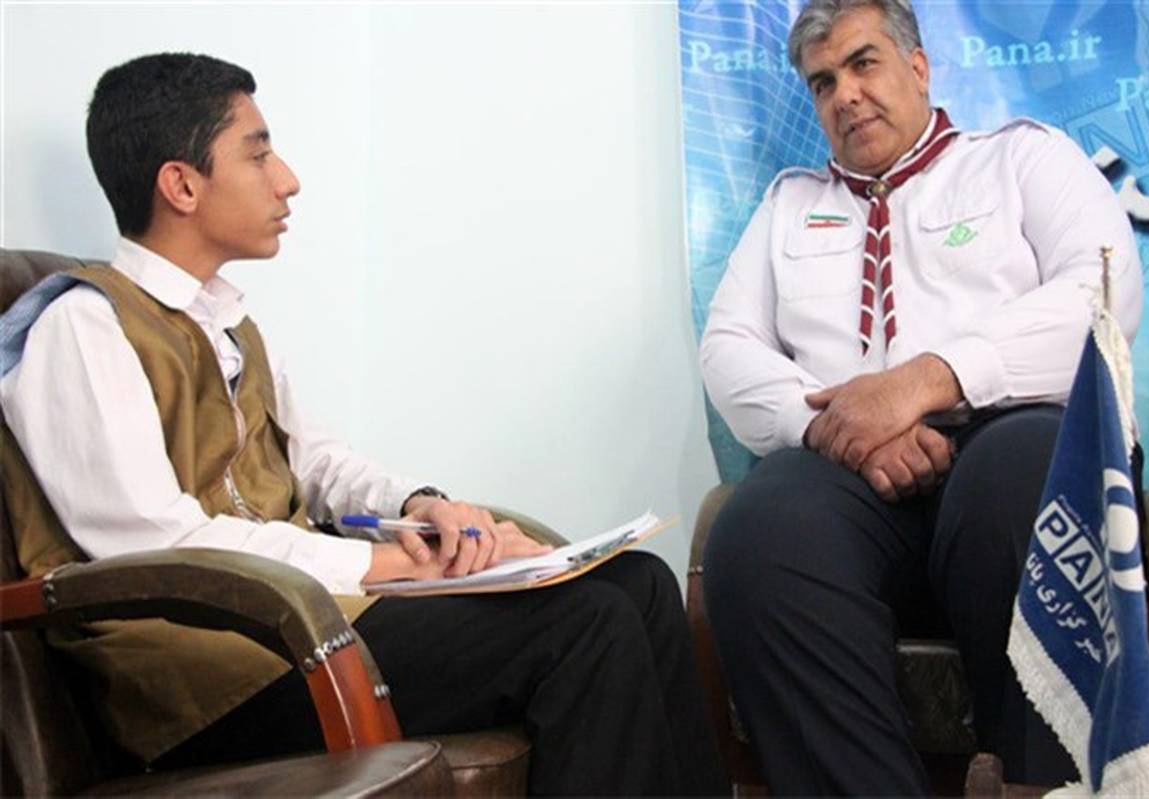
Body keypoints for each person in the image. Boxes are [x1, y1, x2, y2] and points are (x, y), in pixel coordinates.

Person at [0, 53, 726, 796]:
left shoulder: (228, 322)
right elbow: (156, 544)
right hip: (207, 678)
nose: (287, 179)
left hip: (298, 628)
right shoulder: (81, 327)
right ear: (182, 185)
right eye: (258, 154)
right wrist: (389, 565)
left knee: (638, 583)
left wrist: (421, 507)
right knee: (586, 626)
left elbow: (319, 463)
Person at [698, 0, 1142, 794]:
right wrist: (838, 426)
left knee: (1022, 473)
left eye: (863, 63)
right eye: (823, 82)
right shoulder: (788, 206)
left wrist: (922, 382)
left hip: (1005, 440)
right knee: (758, 531)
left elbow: (1105, 295)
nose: (846, 94)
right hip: (848, 473)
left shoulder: (1020, 158)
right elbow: (727, 350)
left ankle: (1040, 784)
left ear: (919, 67)